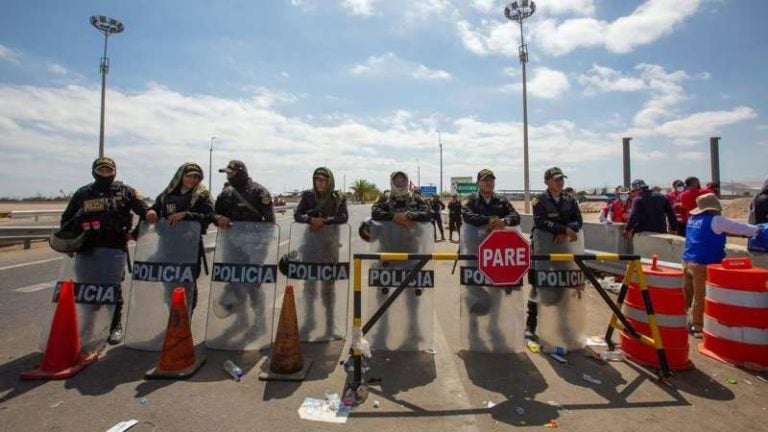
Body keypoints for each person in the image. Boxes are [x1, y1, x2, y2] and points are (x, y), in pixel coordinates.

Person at [58, 157, 148, 345]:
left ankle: (115, 326)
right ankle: (87, 326)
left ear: (114, 171)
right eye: (101, 170)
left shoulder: (126, 191)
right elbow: (67, 218)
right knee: (86, 289)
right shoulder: (83, 193)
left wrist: (134, 234)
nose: (105, 173)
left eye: (109, 170)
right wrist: (69, 243)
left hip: (114, 247)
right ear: (94, 171)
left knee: (111, 287)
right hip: (86, 248)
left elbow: (147, 213)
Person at [682, 193, 762, 337]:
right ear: (713, 208)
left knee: (686, 295)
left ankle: (678, 320)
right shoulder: (716, 220)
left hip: (688, 261)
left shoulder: (692, 219)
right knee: (701, 297)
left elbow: (708, 234)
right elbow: (740, 228)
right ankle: (698, 327)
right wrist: (758, 230)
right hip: (703, 263)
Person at [369, 171, 432, 349]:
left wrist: (409, 216)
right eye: (396, 179)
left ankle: (414, 330)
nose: (399, 181)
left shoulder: (416, 197)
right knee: (382, 292)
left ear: (406, 180)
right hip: (387, 252)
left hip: (410, 252)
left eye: (402, 178)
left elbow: (427, 214)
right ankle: (382, 329)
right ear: (392, 181)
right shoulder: (384, 197)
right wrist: (393, 217)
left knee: (412, 294)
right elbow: (375, 212)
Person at [460, 168, 521, 351]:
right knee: (473, 290)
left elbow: (515, 216)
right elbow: (467, 215)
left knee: (497, 291)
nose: (489, 183)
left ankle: (494, 325)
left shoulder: (501, 200)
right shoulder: (472, 200)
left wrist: (504, 222)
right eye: (485, 180)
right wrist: (489, 221)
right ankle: (473, 328)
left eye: (491, 180)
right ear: (479, 183)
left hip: (496, 254)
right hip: (474, 252)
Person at [145, 162, 214, 313]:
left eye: (196, 177)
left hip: (190, 247)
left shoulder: (202, 195)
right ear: (181, 176)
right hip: (168, 246)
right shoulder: (167, 195)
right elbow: (155, 208)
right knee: (169, 284)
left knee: (187, 285)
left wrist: (186, 215)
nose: (192, 180)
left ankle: (186, 318)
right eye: (189, 176)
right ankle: (173, 314)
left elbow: (209, 216)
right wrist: (151, 212)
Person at [526, 167, 583, 340]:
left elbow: (578, 221)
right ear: (547, 182)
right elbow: (540, 221)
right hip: (543, 246)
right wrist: (562, 228)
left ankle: (563, 325)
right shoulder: (540, 200)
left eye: (561, 179)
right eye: (556, 179)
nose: (560, 182)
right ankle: (531, 325)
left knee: (564, 284)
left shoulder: (570, 199)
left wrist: (566, 231)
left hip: (564, 246)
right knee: (538, 283)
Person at [293, 167, 349, 340]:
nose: (320, 183)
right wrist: (311, 220)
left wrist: (324, 221)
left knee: (328, 287)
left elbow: (343, 217)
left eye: (324, 180)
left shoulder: (338, 197)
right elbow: (297, 215)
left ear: (329, 181)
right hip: (310, 245)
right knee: (309, 286)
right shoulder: (308, 196)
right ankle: (309, 322)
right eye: (317, 179)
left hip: (329, 246)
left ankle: (331, 325)